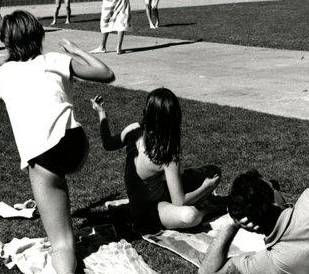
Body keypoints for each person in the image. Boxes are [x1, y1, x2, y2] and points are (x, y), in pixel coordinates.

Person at [0, 10, 115, 274]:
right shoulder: (53, 59)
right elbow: (106, 74)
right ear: (38, 36)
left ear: (7, 43)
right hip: (77, 146)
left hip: (45, 158)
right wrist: (77, 51)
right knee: (57, 174)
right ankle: (59, 184)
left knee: (63, 241)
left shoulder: (0, 76)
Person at [92, 88, 225, 233]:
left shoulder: (134, 130)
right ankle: (207, 210)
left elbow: (108, 143)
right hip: (149, 211)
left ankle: (202, 200)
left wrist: (101, 114)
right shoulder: (168, 151)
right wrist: (206, 187)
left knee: (213, 171)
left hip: (155, 195)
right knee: (190, 215)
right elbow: (179, 202)